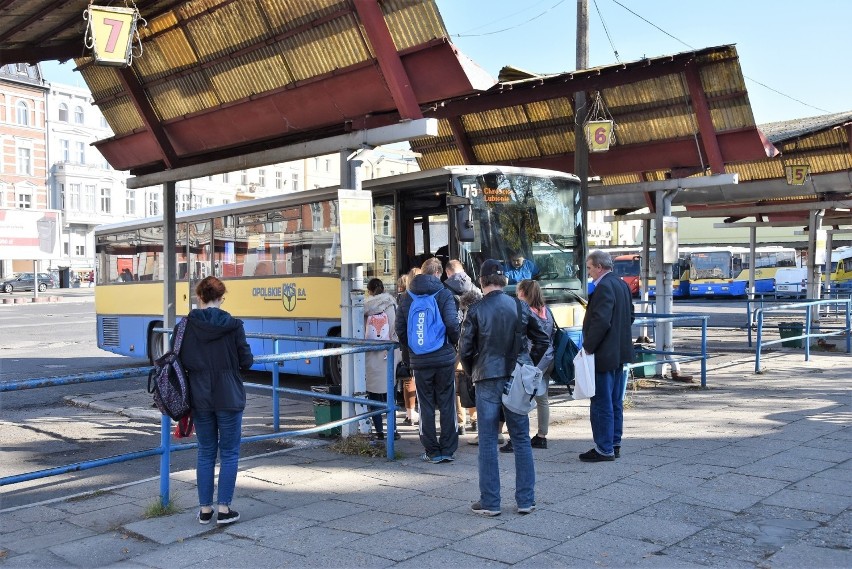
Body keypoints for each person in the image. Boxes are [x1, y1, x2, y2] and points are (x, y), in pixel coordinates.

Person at [459, 259, 549, 516]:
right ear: (504, 281)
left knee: (487, 439)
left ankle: (490, 502)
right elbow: (542, 338)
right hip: (517, 376)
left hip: (486, 376)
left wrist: (471, 370)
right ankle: (525, 500)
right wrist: (527, 363)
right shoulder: (520, 307)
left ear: (482, 281)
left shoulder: (474, 310)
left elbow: (464, 349)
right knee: (521, 437)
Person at [180, 276, 254, 525]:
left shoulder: (186, 326)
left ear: (199, 297)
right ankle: (224, 508)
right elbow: (246, 361)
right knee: (230, 452)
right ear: (222, 297)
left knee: (205, 452)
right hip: (229, 395)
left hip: (199, 396)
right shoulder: (233, 325)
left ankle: (204, 510)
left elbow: (178, 360)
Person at [396, 257, 460, 464]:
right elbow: (451, 323)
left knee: (425, 406)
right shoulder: (444, 294)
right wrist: (454, 343)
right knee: (447, 402)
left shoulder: (406, 297)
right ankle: (448, 449)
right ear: (439, 273)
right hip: (443, 358)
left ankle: (432, 451)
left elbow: (400, 330)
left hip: (420, 360)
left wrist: (410, 352)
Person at [580, 250, 634, 462]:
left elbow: (601, 322)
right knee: (615, 401)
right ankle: (614, 442)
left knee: (601, 402)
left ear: (599, 267)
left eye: (590, 267)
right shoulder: (621, 284)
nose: (589, 272)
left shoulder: (603, 287)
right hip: (619, 353)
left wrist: (588, 347)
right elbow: (630, 315)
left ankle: (604, 448)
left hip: (603, 354)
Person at [500, 279, 555, 453]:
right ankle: (541, 436)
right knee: (542, 398)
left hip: (530, 360)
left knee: (518, 399)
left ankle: (516, 437)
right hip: (548, 358)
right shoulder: (547, 311)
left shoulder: (524, 311)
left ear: (523, 292)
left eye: (517, 291)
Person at [363, 278, 400, 441]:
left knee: (374, 396)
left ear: (369, 291)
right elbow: (396, 331)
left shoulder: (363, 307)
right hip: (388, 354)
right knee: (390, 394)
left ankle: (379, 431)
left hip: (371, 356)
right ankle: (393, 430)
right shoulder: (391, 304)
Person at [444, 259, 476, 435]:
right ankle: (475, 419)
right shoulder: (474, 286)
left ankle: (460, 423)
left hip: (455, 342)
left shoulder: (446, 290)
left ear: (448, 272)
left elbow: (450, 319)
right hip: (473, 340)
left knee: (456, 382)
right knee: (472, 378)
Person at [395, 274, 419, 427]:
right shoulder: (413, 299)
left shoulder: (401, 299)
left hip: (406, 347)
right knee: (414, 380)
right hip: (418, 347)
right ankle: (413, 413)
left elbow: (400, 328)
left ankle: (410, 413)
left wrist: (405, 343)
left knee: (407, 380)